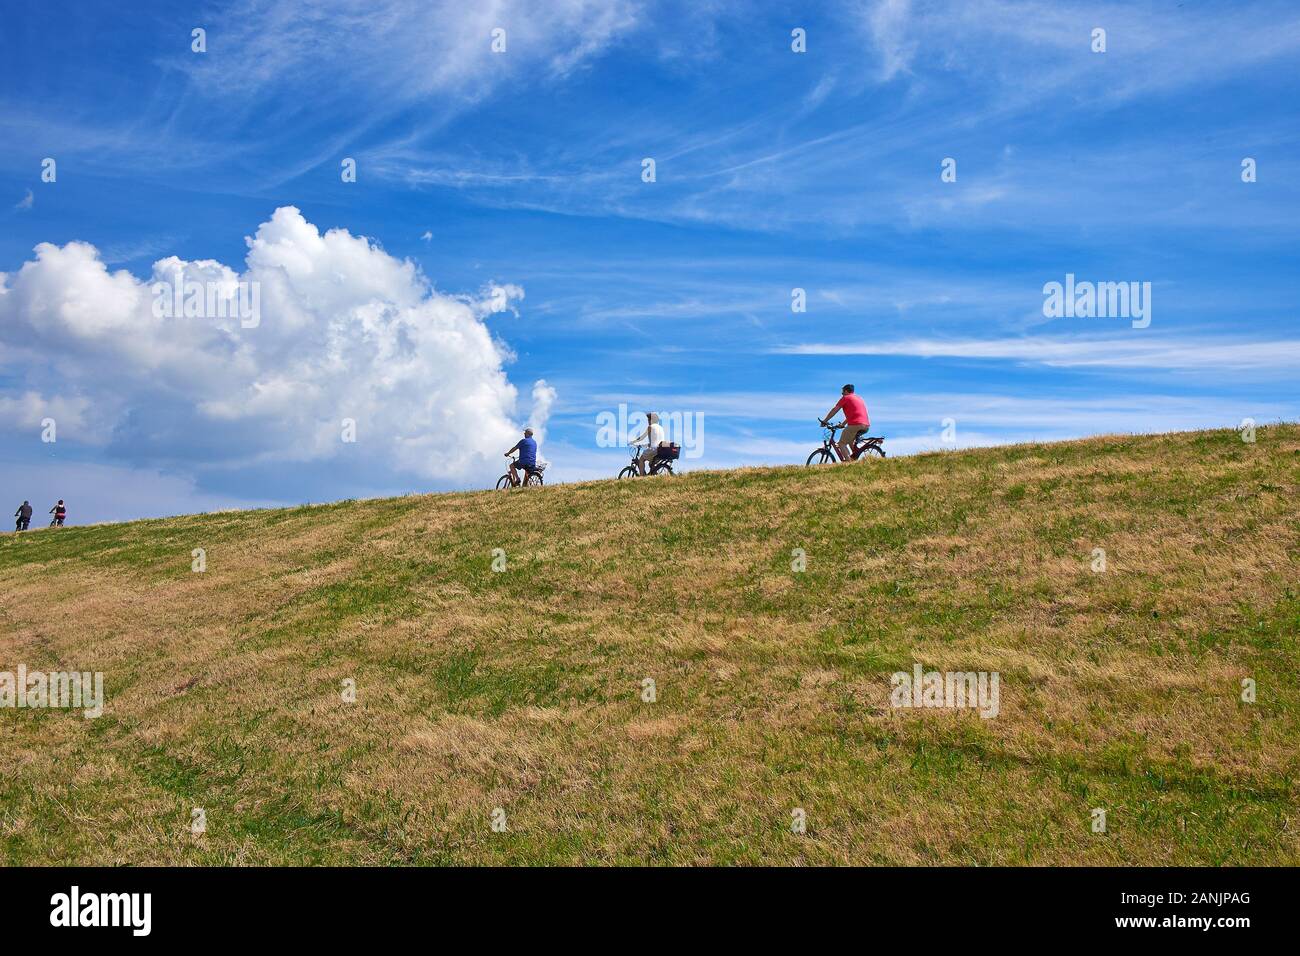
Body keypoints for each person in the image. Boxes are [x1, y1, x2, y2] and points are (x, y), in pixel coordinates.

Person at [821, 384, 870, 462]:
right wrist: (843, 424)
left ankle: (849, 463)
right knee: (850, 440)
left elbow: (835, 410)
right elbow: (854, 414)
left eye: (842, 391)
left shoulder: (845, 398)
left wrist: (825, 421)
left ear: (846, 391)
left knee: (842, 444)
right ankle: (855, 458)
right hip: (866, 425)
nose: (842, 393)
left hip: (855, 425)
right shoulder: (859, 398)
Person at [630, 411, 664, 476]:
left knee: (641, 460)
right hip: (661, 450)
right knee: (651, 464)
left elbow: (642, 437)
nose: (648, 421)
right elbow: (656, 440)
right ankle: (655, 476)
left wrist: (633, 442)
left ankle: (642, 477)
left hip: (654, 449)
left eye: (648, 420)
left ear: (651, 420)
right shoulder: (661, 428)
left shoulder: (650, 427)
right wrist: (646, 444)